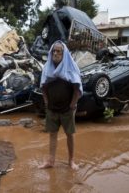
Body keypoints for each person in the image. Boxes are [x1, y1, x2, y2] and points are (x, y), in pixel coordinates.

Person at [39, 40, 83, 170]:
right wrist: (46, 101)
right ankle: (50, 161)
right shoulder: (47, 68)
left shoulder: (71, 67)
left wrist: (73, 104)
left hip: (67, 109)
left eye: (59, 51)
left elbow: (77, 88)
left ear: (64, 54)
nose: (56, 53)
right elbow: (43, 86)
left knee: (70, 134)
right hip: (52, 108)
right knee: (52, 134)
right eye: (54, 51)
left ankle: (71, 161)